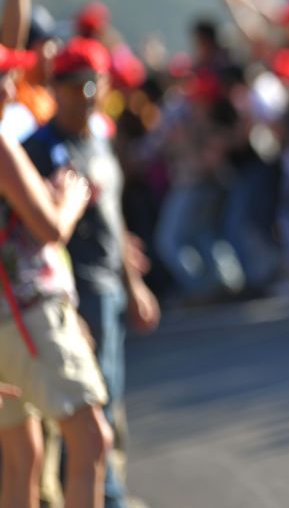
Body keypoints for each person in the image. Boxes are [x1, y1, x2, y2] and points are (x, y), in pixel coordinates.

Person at [23, 37, 160, 508]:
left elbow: (114, 216)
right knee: (84, 412)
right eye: (73, 84)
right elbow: (34, 234)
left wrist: (134, 282)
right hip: (71, 294)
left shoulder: (99, 139)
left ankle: (107, 491)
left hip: (108, 286)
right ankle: (106, 498)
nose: (84, 94)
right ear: (58, 87)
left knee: (109, 401)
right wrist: (63, 301)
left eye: (91, 84)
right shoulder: (37, 150)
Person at [0, 43, 108, 508]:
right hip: (25, 314)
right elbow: (49, 228)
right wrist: (71, 198)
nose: (11, 85)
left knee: (22, 456)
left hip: (13, 317)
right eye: (4, 76)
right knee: (90, 437)